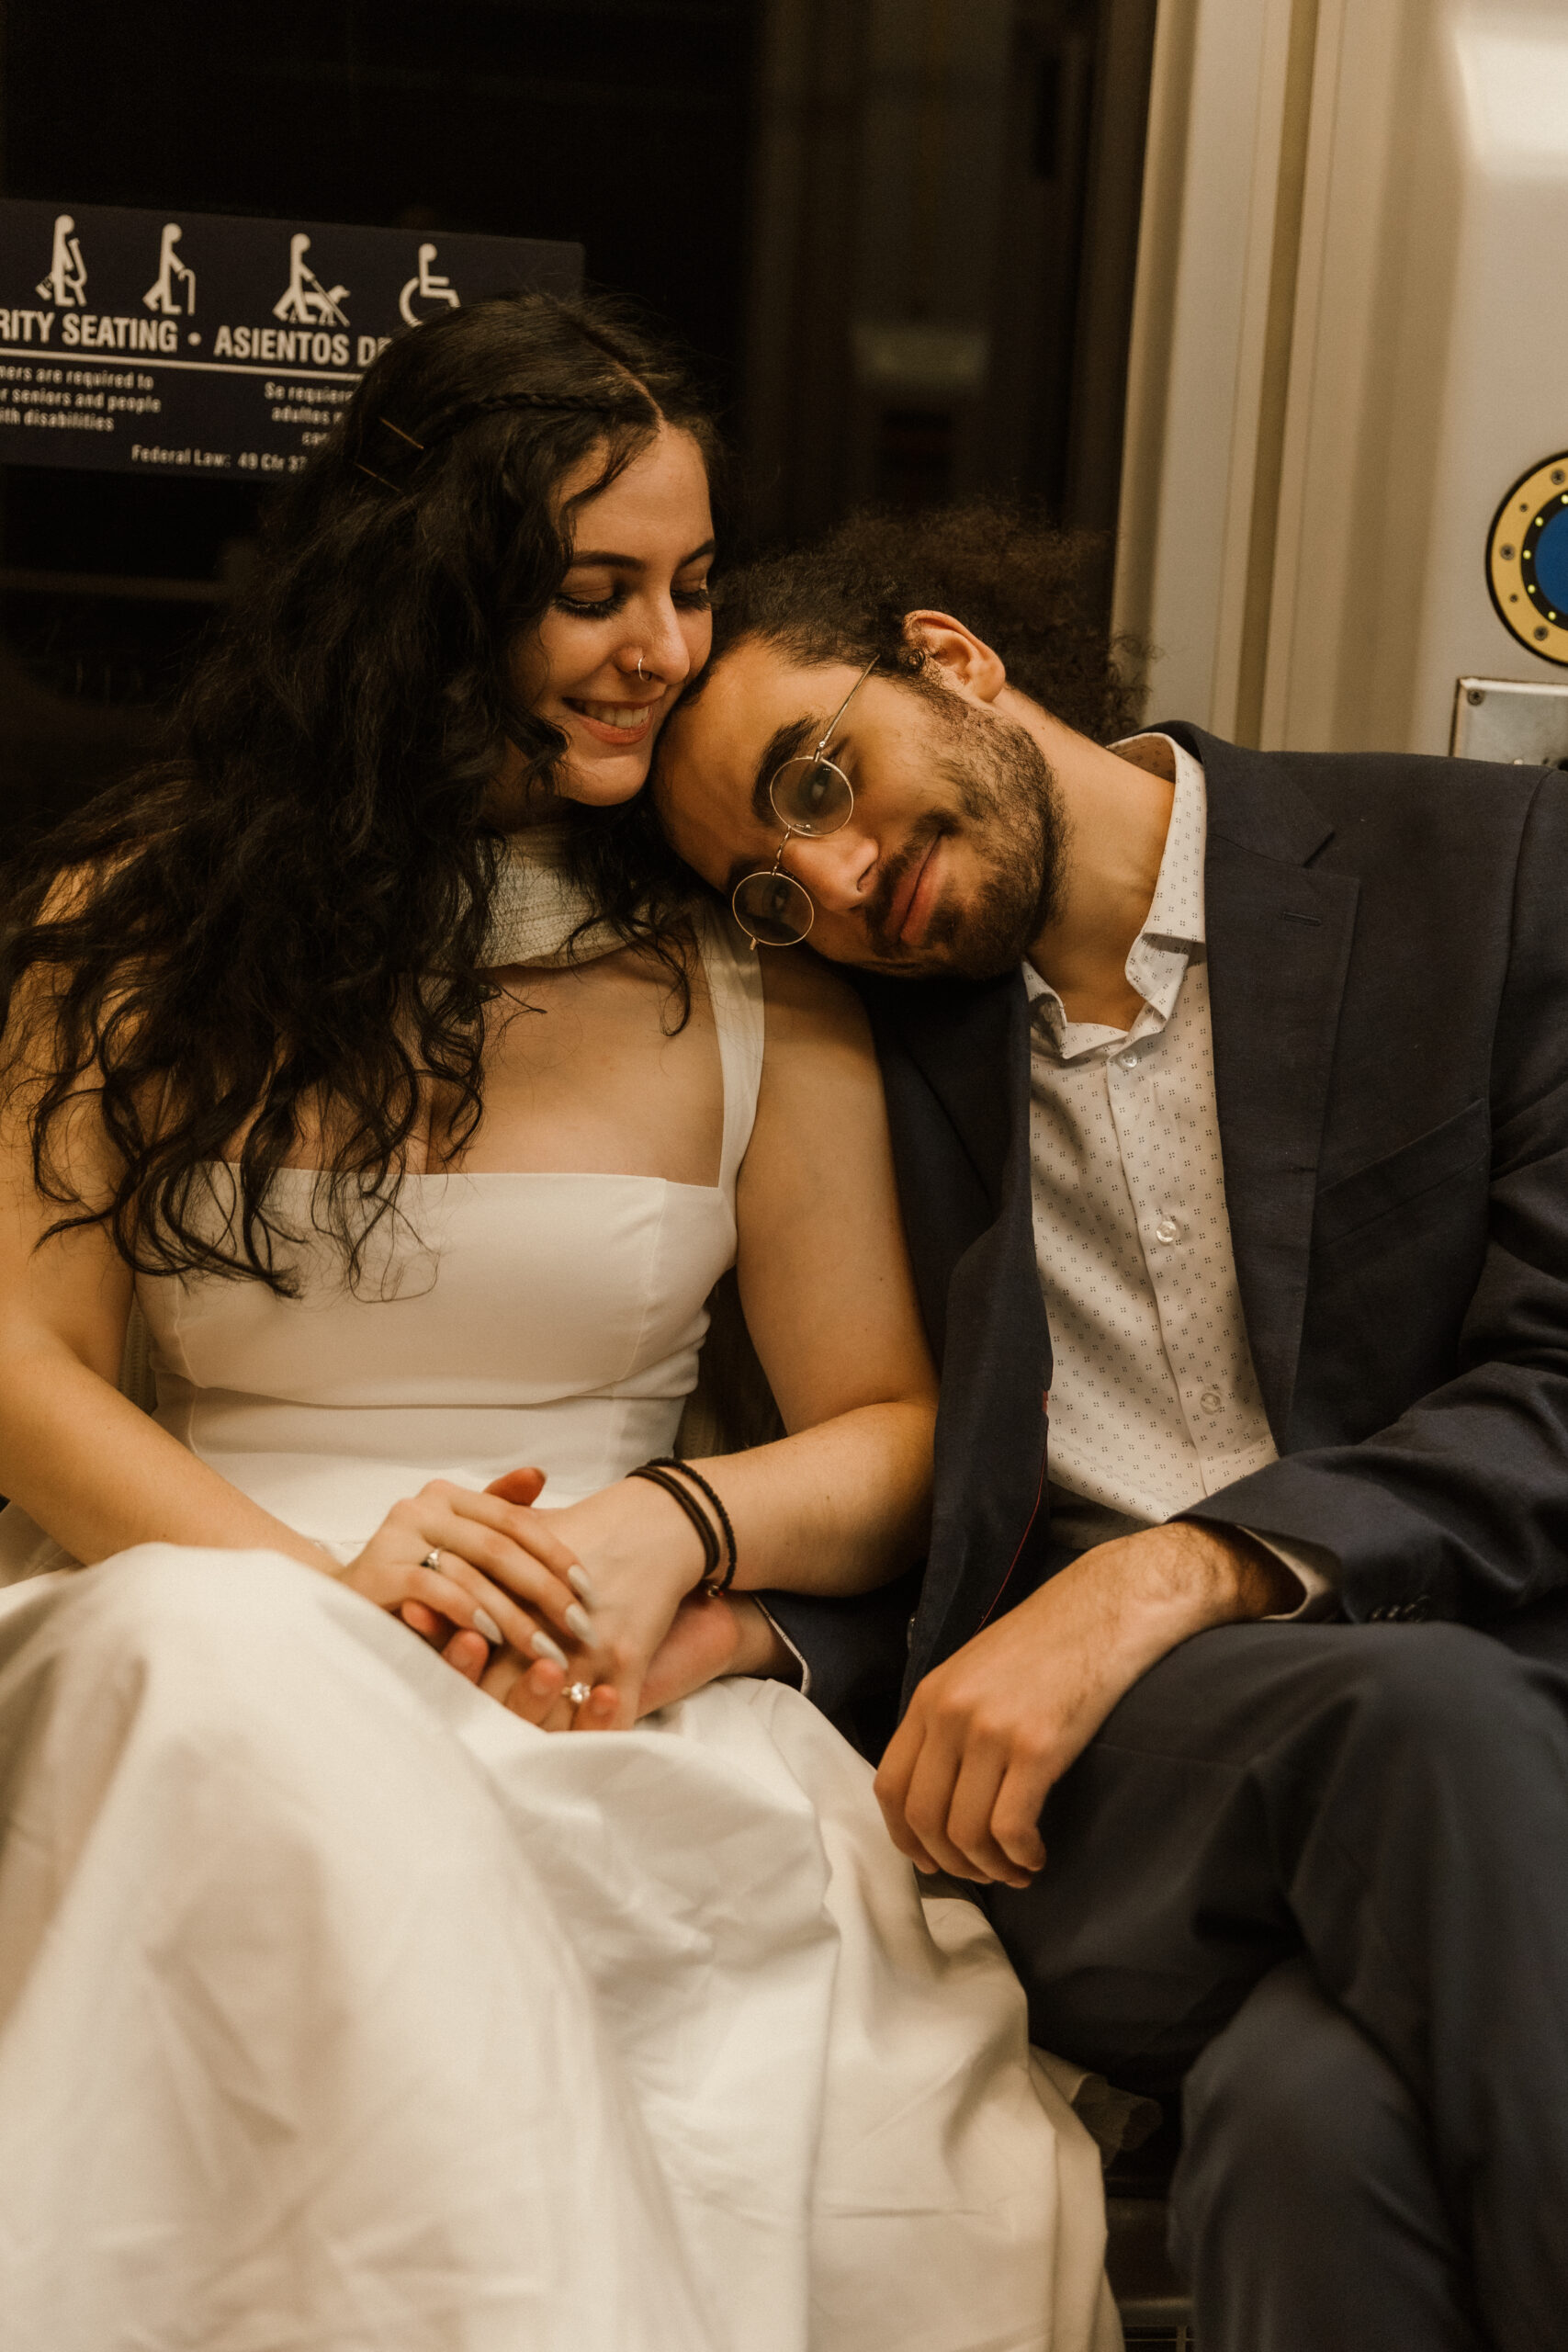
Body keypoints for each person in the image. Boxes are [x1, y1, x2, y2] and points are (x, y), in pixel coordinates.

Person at [0, 310, 1118, 2351]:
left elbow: (889, 1428)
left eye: (689, 588)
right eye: (595, 589)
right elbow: (21, 1362)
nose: (665, 648)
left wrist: (673, 1528)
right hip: (182, 1584)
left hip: (589, 1662)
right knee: (215, 1669)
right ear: (429, 588)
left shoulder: (747, 971)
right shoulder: (131, 919)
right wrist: (322, 1589)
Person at [652, 497, 1568, 2352]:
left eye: (815, 779)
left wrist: (1190, 1562)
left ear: (949, 659)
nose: (824, 884)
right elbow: (904, 1505)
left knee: (1306, 2130)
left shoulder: (1489, 870)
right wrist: (734, 1615)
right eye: (767, 881)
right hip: (1122, 1801)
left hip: (1497, 1737)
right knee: (1417, 1715)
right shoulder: (862, 1075)